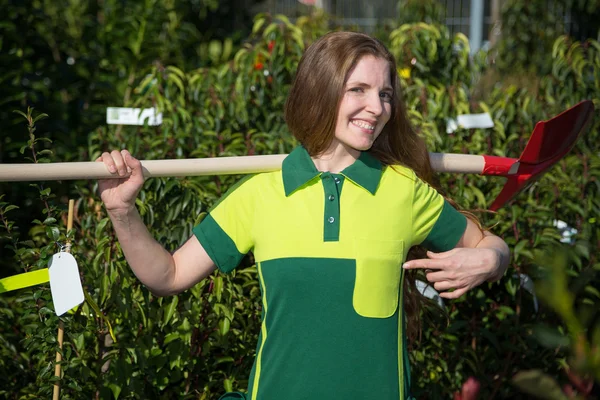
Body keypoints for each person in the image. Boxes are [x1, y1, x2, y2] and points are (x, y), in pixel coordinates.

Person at [98, 31, 509, 400]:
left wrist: (491, 260)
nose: (377, 106)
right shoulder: (260, 195)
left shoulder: (403, 191)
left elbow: (489, 244)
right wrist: (122, 211)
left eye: (385, 94)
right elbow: (167, 275)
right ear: (321, 91)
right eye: (359, 90)